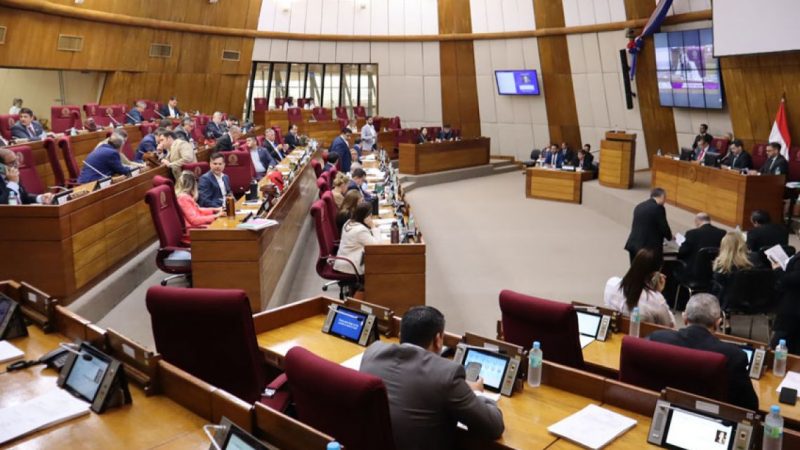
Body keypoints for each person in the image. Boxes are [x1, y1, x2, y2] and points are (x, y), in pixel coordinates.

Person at [360, 306, 505, 450]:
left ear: (400, 335)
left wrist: (462, 387)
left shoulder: (372, 353)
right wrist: (476, 393)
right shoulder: (447, 375)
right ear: (438, 340)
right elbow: (493, 427)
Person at [649, 293, 758, 410]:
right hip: (710, 417)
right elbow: (750, 406)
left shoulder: (658, 338)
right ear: (718, 323)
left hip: (660, 408)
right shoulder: (734, 356)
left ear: (684, 318)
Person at [604, 248, 676, 327]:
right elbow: (669, 326)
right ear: (654, 276)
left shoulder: (611, 283)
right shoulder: (655, 300)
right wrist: (658, 293)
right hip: (641, 338)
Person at [624, 188, 673, 263]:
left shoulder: (639, 206)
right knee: (648, 273)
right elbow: (664, 227)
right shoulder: (659, 208)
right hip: (647, 250)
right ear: (662, 196)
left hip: (633, 245)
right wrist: (669, 236)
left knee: (634, 271)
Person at [333, 202, 380, 275]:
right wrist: (373, 226)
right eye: (370, 215)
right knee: (382, 260)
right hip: (350, 266)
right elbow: (377, 246)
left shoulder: (348, 222)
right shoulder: (360, 230)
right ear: (367, 216)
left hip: (342, 261)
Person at [712, 232, 755, 302]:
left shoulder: (721, 266)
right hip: (747, 301)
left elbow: (716, 290)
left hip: (725, 302)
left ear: (723, 246)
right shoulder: (751, 264)